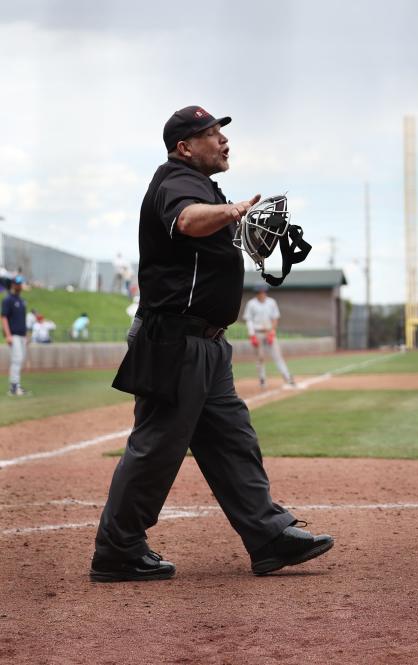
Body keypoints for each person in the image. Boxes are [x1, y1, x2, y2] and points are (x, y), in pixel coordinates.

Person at [90, 105, 333, 583]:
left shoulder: (202, 183)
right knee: (157, 446)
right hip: (175, 340)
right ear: (185, 147)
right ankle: (117, 550)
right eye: (211, 134)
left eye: (222, 133)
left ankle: (268, 536)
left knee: (231, 439)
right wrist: (233, 211)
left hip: (206, 344)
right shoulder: (176, 182)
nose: (223, 140)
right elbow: (186, 221)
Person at [243, 283, 298, 389]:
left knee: (277, 356)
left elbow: (275, 318)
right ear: (256, 293)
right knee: (260, 358)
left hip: (269, 332)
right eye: (259, 292)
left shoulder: (271, 302)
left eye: (263, 292)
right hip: (257, 332)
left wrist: (272, 332)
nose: (261, 294)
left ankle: (287, 377)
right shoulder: (251, 304)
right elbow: (249, 320)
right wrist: (252, 335)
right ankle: (262, 379)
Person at [2, 275, 29, 396]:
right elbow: (4, 317)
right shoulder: (8, 300)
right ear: (13, 285)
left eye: (21, 283)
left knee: (20, 359)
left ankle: (16, 385)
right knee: (16, 359)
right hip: (14, 335)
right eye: (18, 283)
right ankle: (13, 387)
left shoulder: (22, 301)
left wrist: (26, 334)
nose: (20, 286)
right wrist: (8, 335)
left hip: (22, 335)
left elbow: (22, 319)